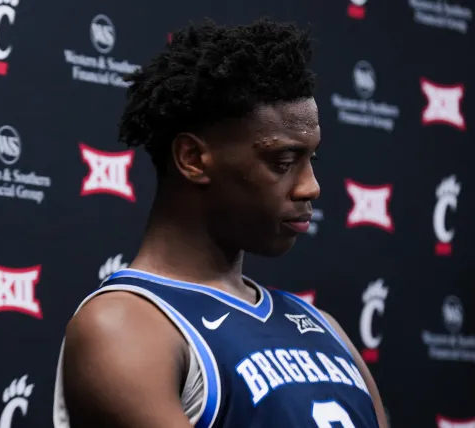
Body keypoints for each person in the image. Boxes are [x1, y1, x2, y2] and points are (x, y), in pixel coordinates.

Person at [52, 17, 389, 428]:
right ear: (193, 159)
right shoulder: (125, 324)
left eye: (310, 160)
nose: (311, 187)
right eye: (283, 162)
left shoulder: (323, 327)